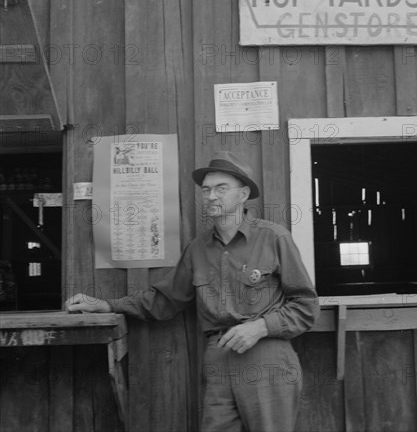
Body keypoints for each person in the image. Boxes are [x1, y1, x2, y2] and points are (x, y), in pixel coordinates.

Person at [66, 151, 319, 432]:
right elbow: (164, 300)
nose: (211, 196)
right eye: (207, 189)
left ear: (243, 194)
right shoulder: (198, 249)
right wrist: (107, 305)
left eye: (221, 188)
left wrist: (260, 327)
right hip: (218, 357)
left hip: (266, 355)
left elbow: (306, 306)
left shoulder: (274, 238)